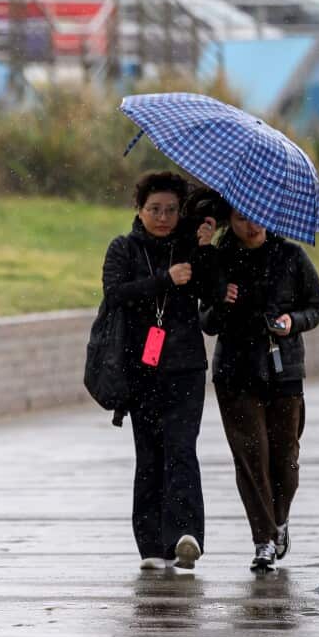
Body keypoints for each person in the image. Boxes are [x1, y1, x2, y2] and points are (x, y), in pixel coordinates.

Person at [200, 200, 319, 572]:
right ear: (230, 221)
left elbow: (317, 305)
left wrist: (293, 321)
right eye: (241, 218)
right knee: (251, 458)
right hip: (235, 373)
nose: (251, 224)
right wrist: (222, 301)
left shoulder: (291, 255)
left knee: (285, 459)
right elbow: (206, 321)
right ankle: (264, 540)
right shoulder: (219, 258)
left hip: (283, 370)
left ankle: (280, 519)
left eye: (257, 215)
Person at [101, 171, 217, 571]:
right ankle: (151, 545)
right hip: (141, 368)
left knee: (181, 449)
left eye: (170, 209)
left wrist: (203, 248)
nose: (163, 217)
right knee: (149, 455)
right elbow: (115, 294)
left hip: (185, 366)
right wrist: (163, 280)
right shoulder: (124, 249)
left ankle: (185, 536)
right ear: (139, 209)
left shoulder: (188, 245)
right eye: (155, 209)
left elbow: (212, 292)